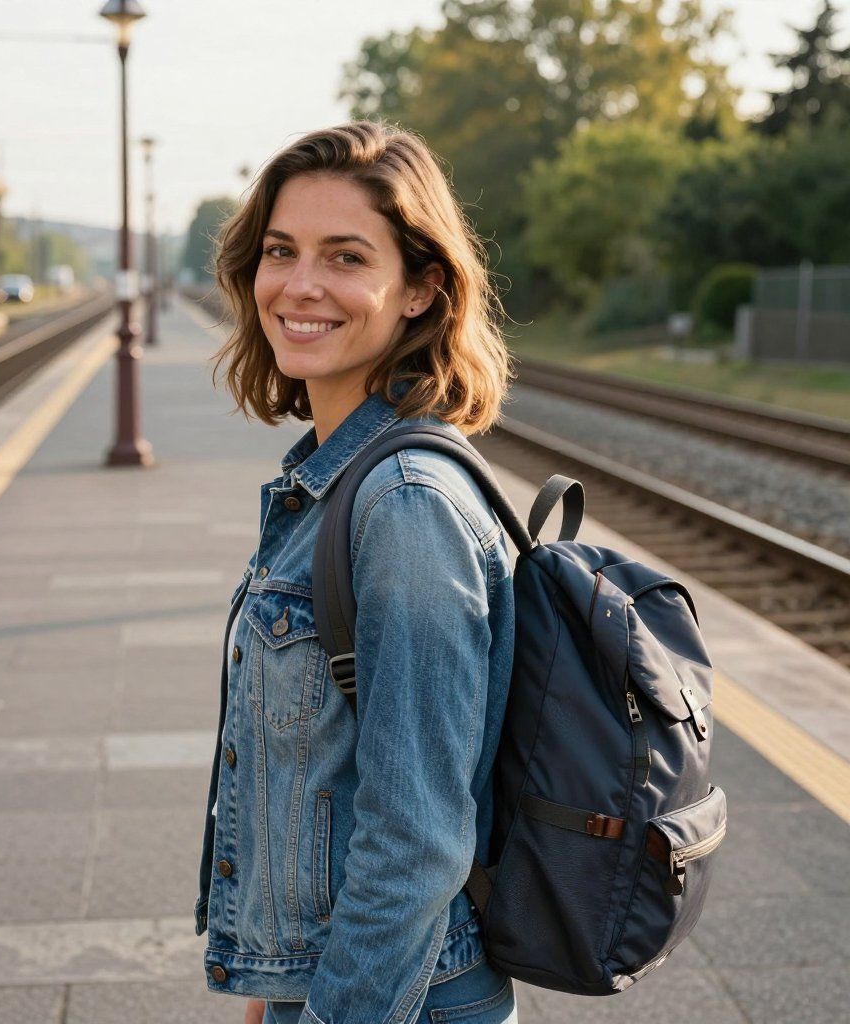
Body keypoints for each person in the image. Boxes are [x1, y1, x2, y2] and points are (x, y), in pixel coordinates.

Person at [195, 120, 518, 1024]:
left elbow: (416, 841)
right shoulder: (333, 481)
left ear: (420, 288)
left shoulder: (404, 505)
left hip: (394, 998)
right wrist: (270, 992)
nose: (300, 286)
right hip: (338, 983)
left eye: (345, 257)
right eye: (280, 251)